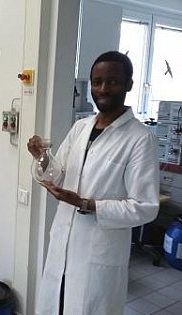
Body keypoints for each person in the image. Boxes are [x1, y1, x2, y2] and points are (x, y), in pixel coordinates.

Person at [28, 51, 159, 315]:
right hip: (63, 247)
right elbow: (58, 173)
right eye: (97, 82)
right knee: (57, 305)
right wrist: (42, 157)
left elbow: (145, 207)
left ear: (129, 84)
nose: (103, 89)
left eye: (112, 81)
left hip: (99, 254)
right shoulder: (81, 127)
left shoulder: (139, 139)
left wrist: (88, 204)